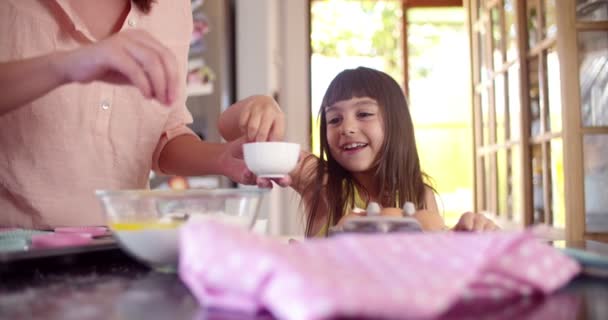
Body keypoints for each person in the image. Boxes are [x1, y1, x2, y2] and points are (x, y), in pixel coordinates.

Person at [0, 0, 282, 228]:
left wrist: (221, 158)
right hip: (12, 248)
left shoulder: (173, 8)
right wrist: (66, 66)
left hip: (123, 245)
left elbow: (165, 132)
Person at [219, 67, 498, 237]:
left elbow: (437, 257)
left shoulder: (420, 195)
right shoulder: (321, 181)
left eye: (364, 113)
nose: (347, 128)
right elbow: (229, 130)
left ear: (396, 123)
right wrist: (258, 105)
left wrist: (469, 231)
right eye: (334, 119)